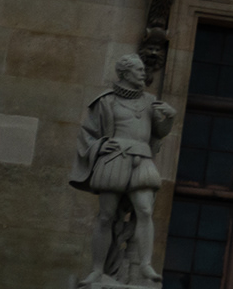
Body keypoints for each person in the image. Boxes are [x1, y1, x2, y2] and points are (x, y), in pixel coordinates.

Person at [68, 50, 175, 289]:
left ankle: (145, 264)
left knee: (145, 210)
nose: (143, 74)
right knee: (106, 216)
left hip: (142, 160)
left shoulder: (149, 101)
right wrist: (102, 145)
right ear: (125, 73)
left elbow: (159, 132)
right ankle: (97, 270)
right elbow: (88, 133)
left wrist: (169, 118)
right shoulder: (106, 101)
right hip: (114, 158)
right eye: (138, 70)